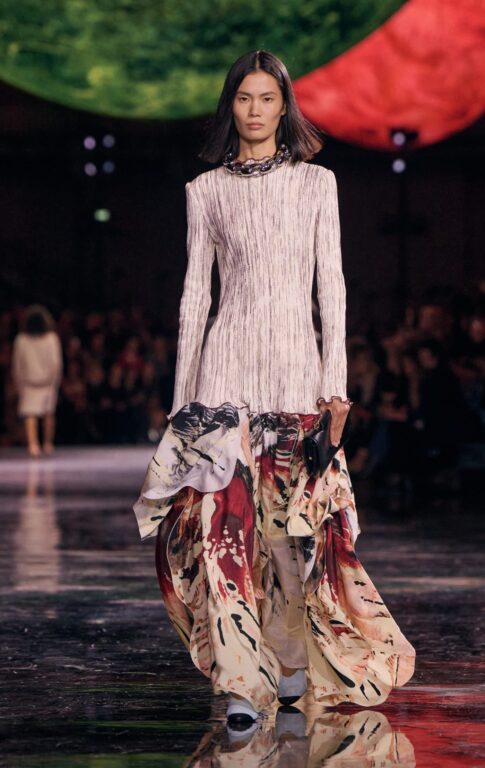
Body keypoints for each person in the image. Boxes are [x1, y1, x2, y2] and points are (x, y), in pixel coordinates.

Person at [133, 49, 416, 726]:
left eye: (267, 98)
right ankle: (240, 681)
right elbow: (194, 298)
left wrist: (335, 389)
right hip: (223, 375)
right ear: (229, 106)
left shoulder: (317, 183)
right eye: (244, 98)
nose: (255, 110)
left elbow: (331, 287)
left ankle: (289, 663)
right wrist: (182, 403)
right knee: (220, 532)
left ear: (284, 106)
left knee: (295, 538)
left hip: (295, 375)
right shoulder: (206, 191)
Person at [11, 305, 63, 457]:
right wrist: (55, 380)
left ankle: (33, 445)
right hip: (46, 382)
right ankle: (47, 444)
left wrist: (18, 382)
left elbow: (17, 364)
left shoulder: (21, 340)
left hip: (29, 382)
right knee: (48, 414)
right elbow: (56, 363)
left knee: (30, 414)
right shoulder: (52, 339)